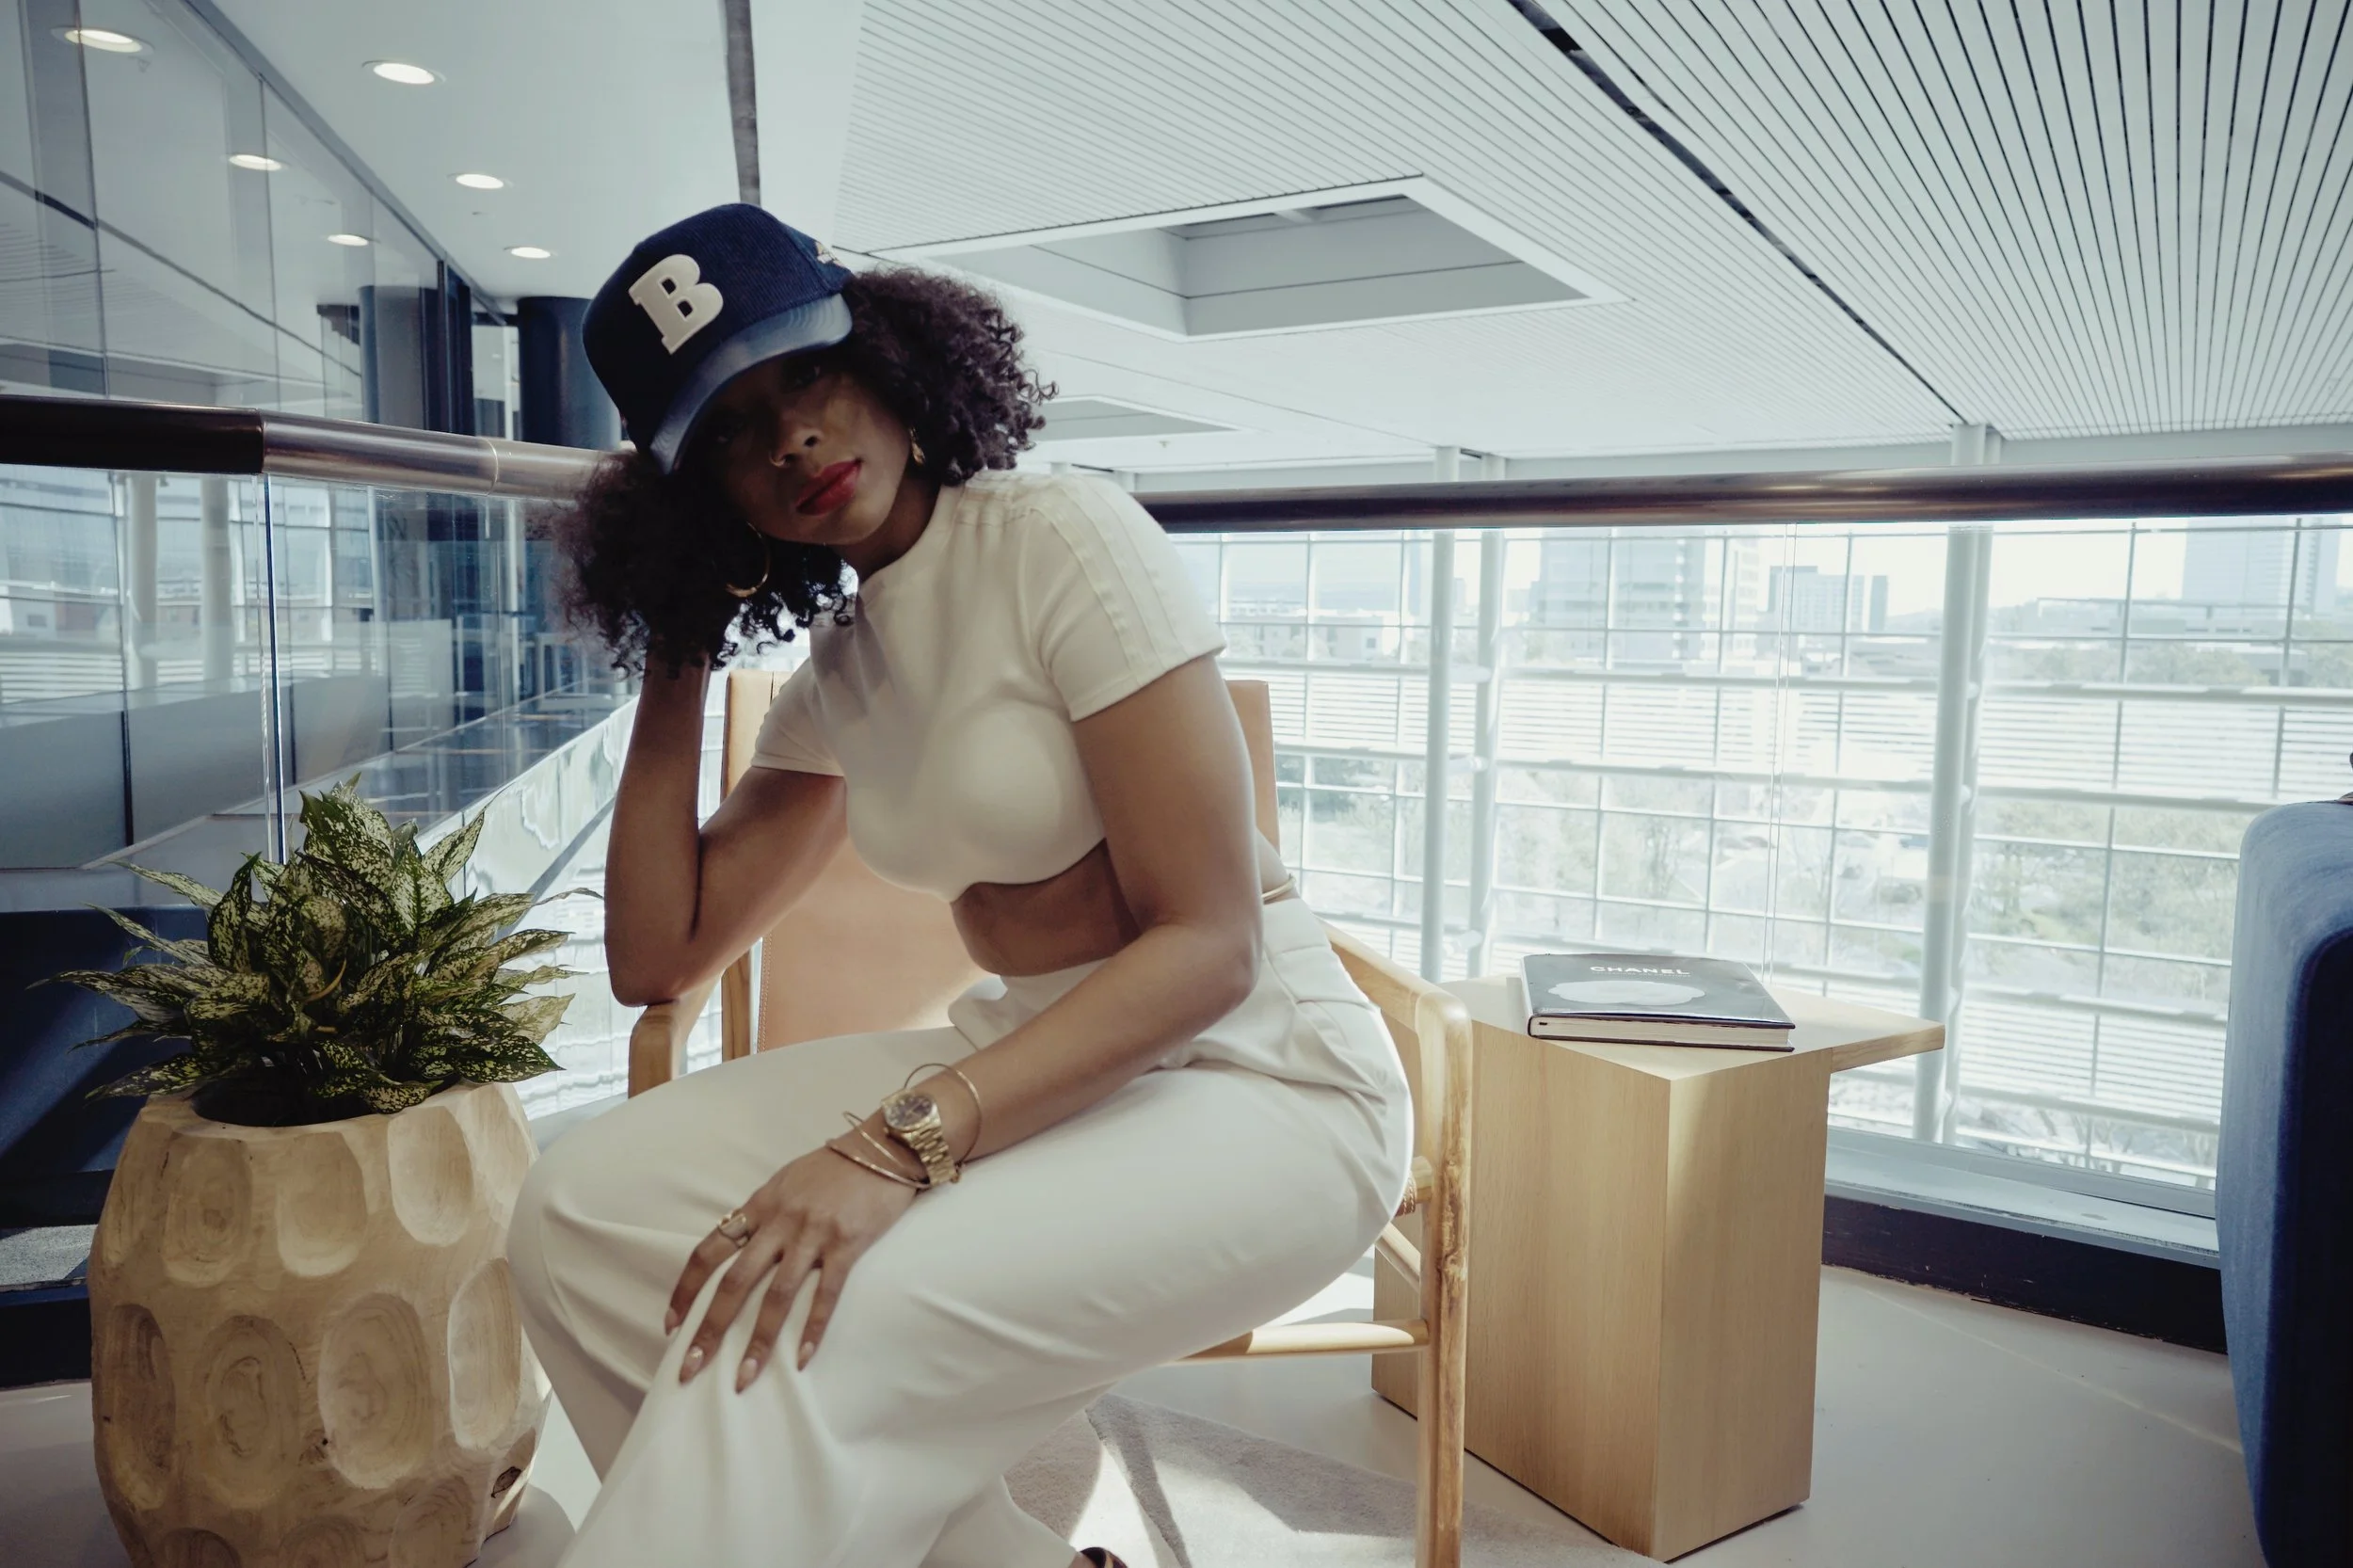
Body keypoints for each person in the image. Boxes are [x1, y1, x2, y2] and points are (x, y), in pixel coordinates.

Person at [505, 203, 1412, 1568]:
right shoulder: (846, 668)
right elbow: (658, 953)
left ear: (884, 356)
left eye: (807, 375)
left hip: (1262, 1081)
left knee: (811, 1324)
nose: (792, 440)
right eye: (732, 434)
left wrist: (888, 1148)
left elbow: (1212, 946)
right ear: (706, 498)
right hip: (1040, 1056)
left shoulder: (1060, 535)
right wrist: (677, 634)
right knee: (578, 1214)